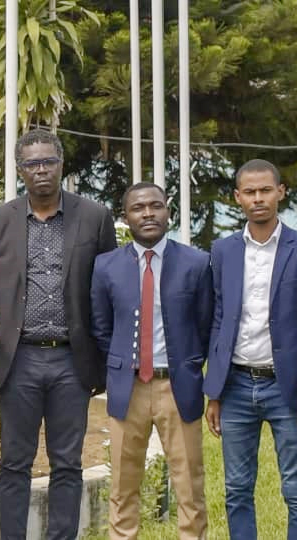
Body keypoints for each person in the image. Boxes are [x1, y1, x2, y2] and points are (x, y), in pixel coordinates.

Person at [0, 129, 117, 539]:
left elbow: (107, 287)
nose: (41, 170)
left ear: (61, 164)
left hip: (71, 361)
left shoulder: (94, 217)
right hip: (17, 358)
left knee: (67, 463)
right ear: (20, 170)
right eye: (31, 163)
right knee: (14, 462)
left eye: (48, 162)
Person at [90, 182, 211, 539]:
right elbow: (101, 326)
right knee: (123, 486)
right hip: (128, 389)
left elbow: (204, 325)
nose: (148, 213)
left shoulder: (196, 263)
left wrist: (187, 366)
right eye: (138, 208)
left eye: (155, 206)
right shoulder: (105, 266)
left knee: (189, 485)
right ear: (125, 217)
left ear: (168, 212)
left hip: (178, 387)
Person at [204, 159, 297, 539]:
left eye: (265, 190)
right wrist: (214, 392)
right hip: (237, 386)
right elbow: (217, 319)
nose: (258, 198)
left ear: (280, 193)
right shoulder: (223, 251)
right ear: (237, 197)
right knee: (237, 489)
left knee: (295, 489)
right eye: (250, 192)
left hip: (287, 387)